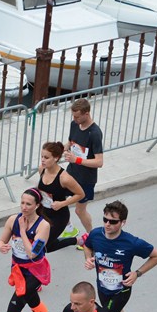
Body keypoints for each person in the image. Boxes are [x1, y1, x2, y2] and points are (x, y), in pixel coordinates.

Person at [82, 200, 157, 312]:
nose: (107, 224)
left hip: (121, 290)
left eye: (113, 222)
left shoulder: (131, 242)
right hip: (102, 287)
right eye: (105, 219)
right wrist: (88, 258)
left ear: (123, 222)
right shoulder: (96, 234)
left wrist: (137, 273)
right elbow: (87, 245)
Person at [0, 188, 55, 312]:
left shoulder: (43, 226)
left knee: (12, 311)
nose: (24, 207)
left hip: (35, 271)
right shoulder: (12, 220)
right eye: (22, 202)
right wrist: (1, 246)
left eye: (28, 204)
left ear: (37, 205)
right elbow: (1, 240)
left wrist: (22, 231)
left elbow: (32, 254)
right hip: (18, 271)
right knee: (33, 300)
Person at [61, 98, 104, 237]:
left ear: (87, 113)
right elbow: (70, 142)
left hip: (86, 179)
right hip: (71, 172)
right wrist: (61, 149)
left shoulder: (95, 133)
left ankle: (92, 237)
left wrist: (77, 160)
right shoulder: (74, 124)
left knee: (79, 211)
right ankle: (69, 230)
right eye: (73, 116)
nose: (75, 119)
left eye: (77, 116)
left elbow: (99, 162)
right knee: (58, 199)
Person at [36, 141, 84, 253]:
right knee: (37, 242)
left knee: (44, 247)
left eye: (46, 157)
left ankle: (77, 240)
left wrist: (62, 204)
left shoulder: (64, 178)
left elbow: (81, 194)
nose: (42, 160)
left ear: (56, 158)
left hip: (59, 216)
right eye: (42, 156)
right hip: (43, 212)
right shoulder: (42, 169)